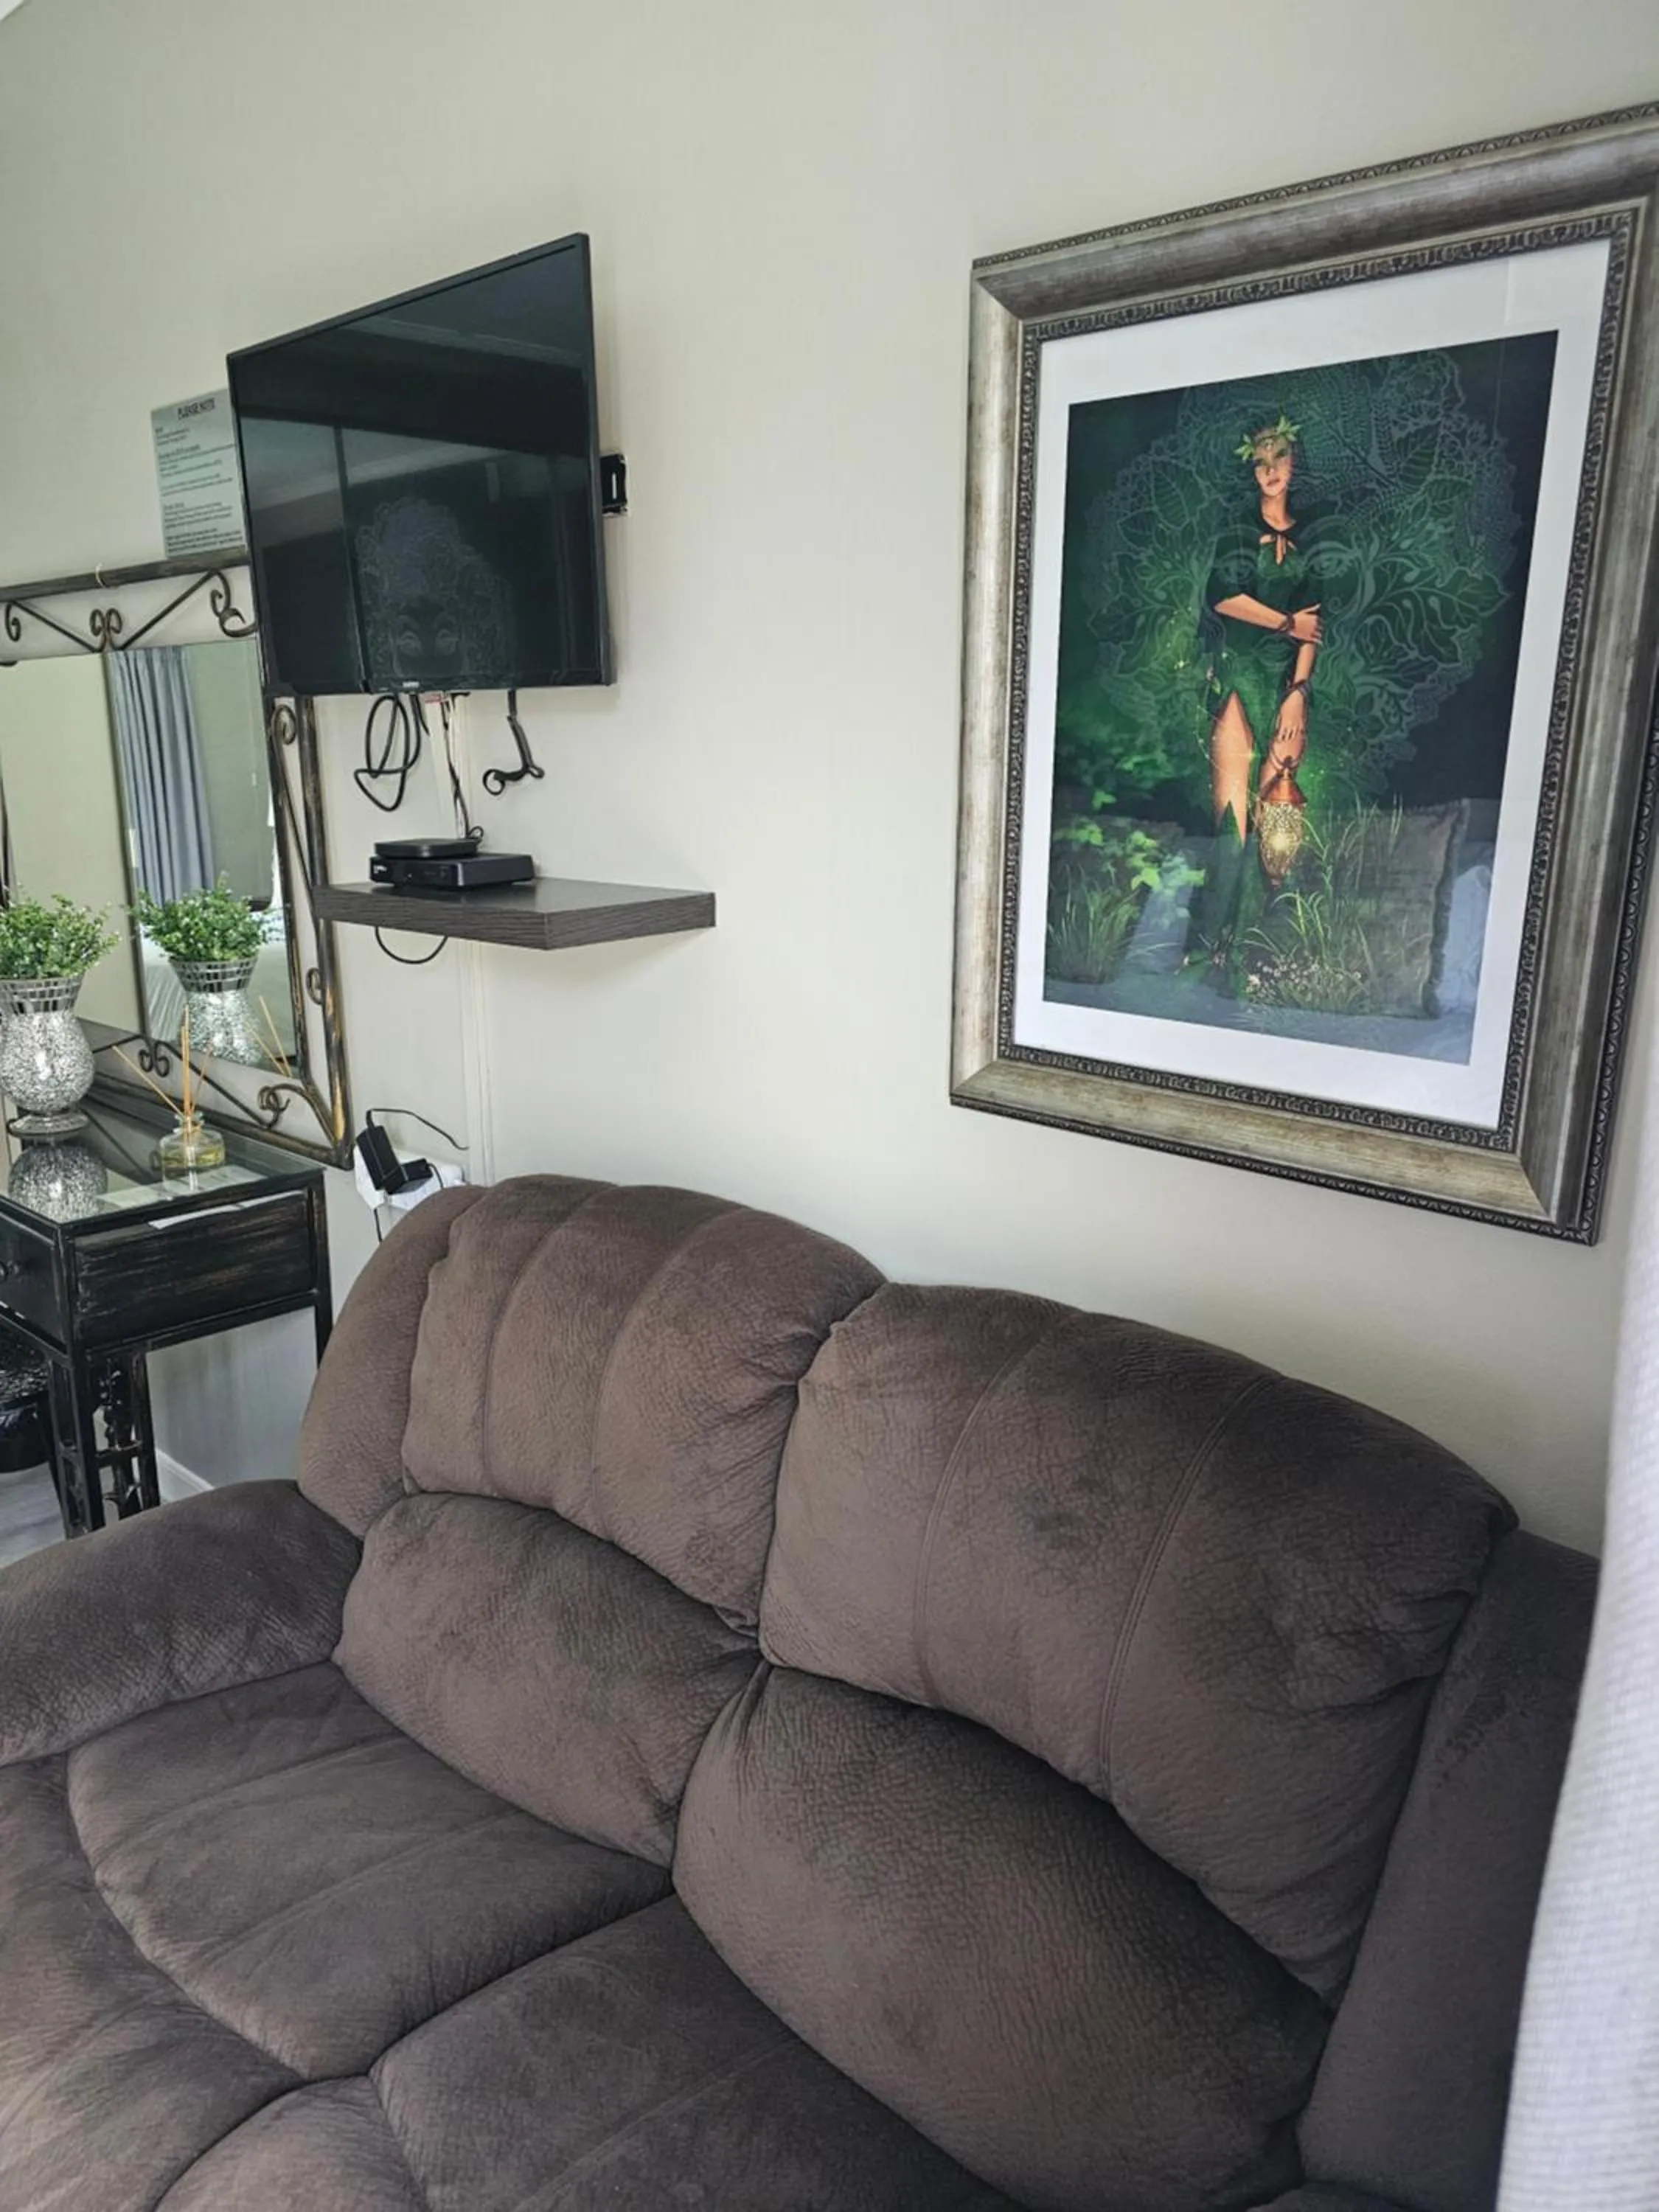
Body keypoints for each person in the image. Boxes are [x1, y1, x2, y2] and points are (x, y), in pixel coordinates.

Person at [1189, 414, 1322, 959]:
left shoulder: (1311, 539)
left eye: (1279, 459)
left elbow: (1316, 624)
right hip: (1239, 678)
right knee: (1232, 821)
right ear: (1252, 471)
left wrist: (1299, 694)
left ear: (1294, 464)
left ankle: (1257, 948)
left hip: (1284, 682)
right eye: (1261, 463)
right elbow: (1224, 598)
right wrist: (1288, 624)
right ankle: (1206, 944)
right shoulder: (1237, 530)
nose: (1271, 471)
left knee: (1277, 824)